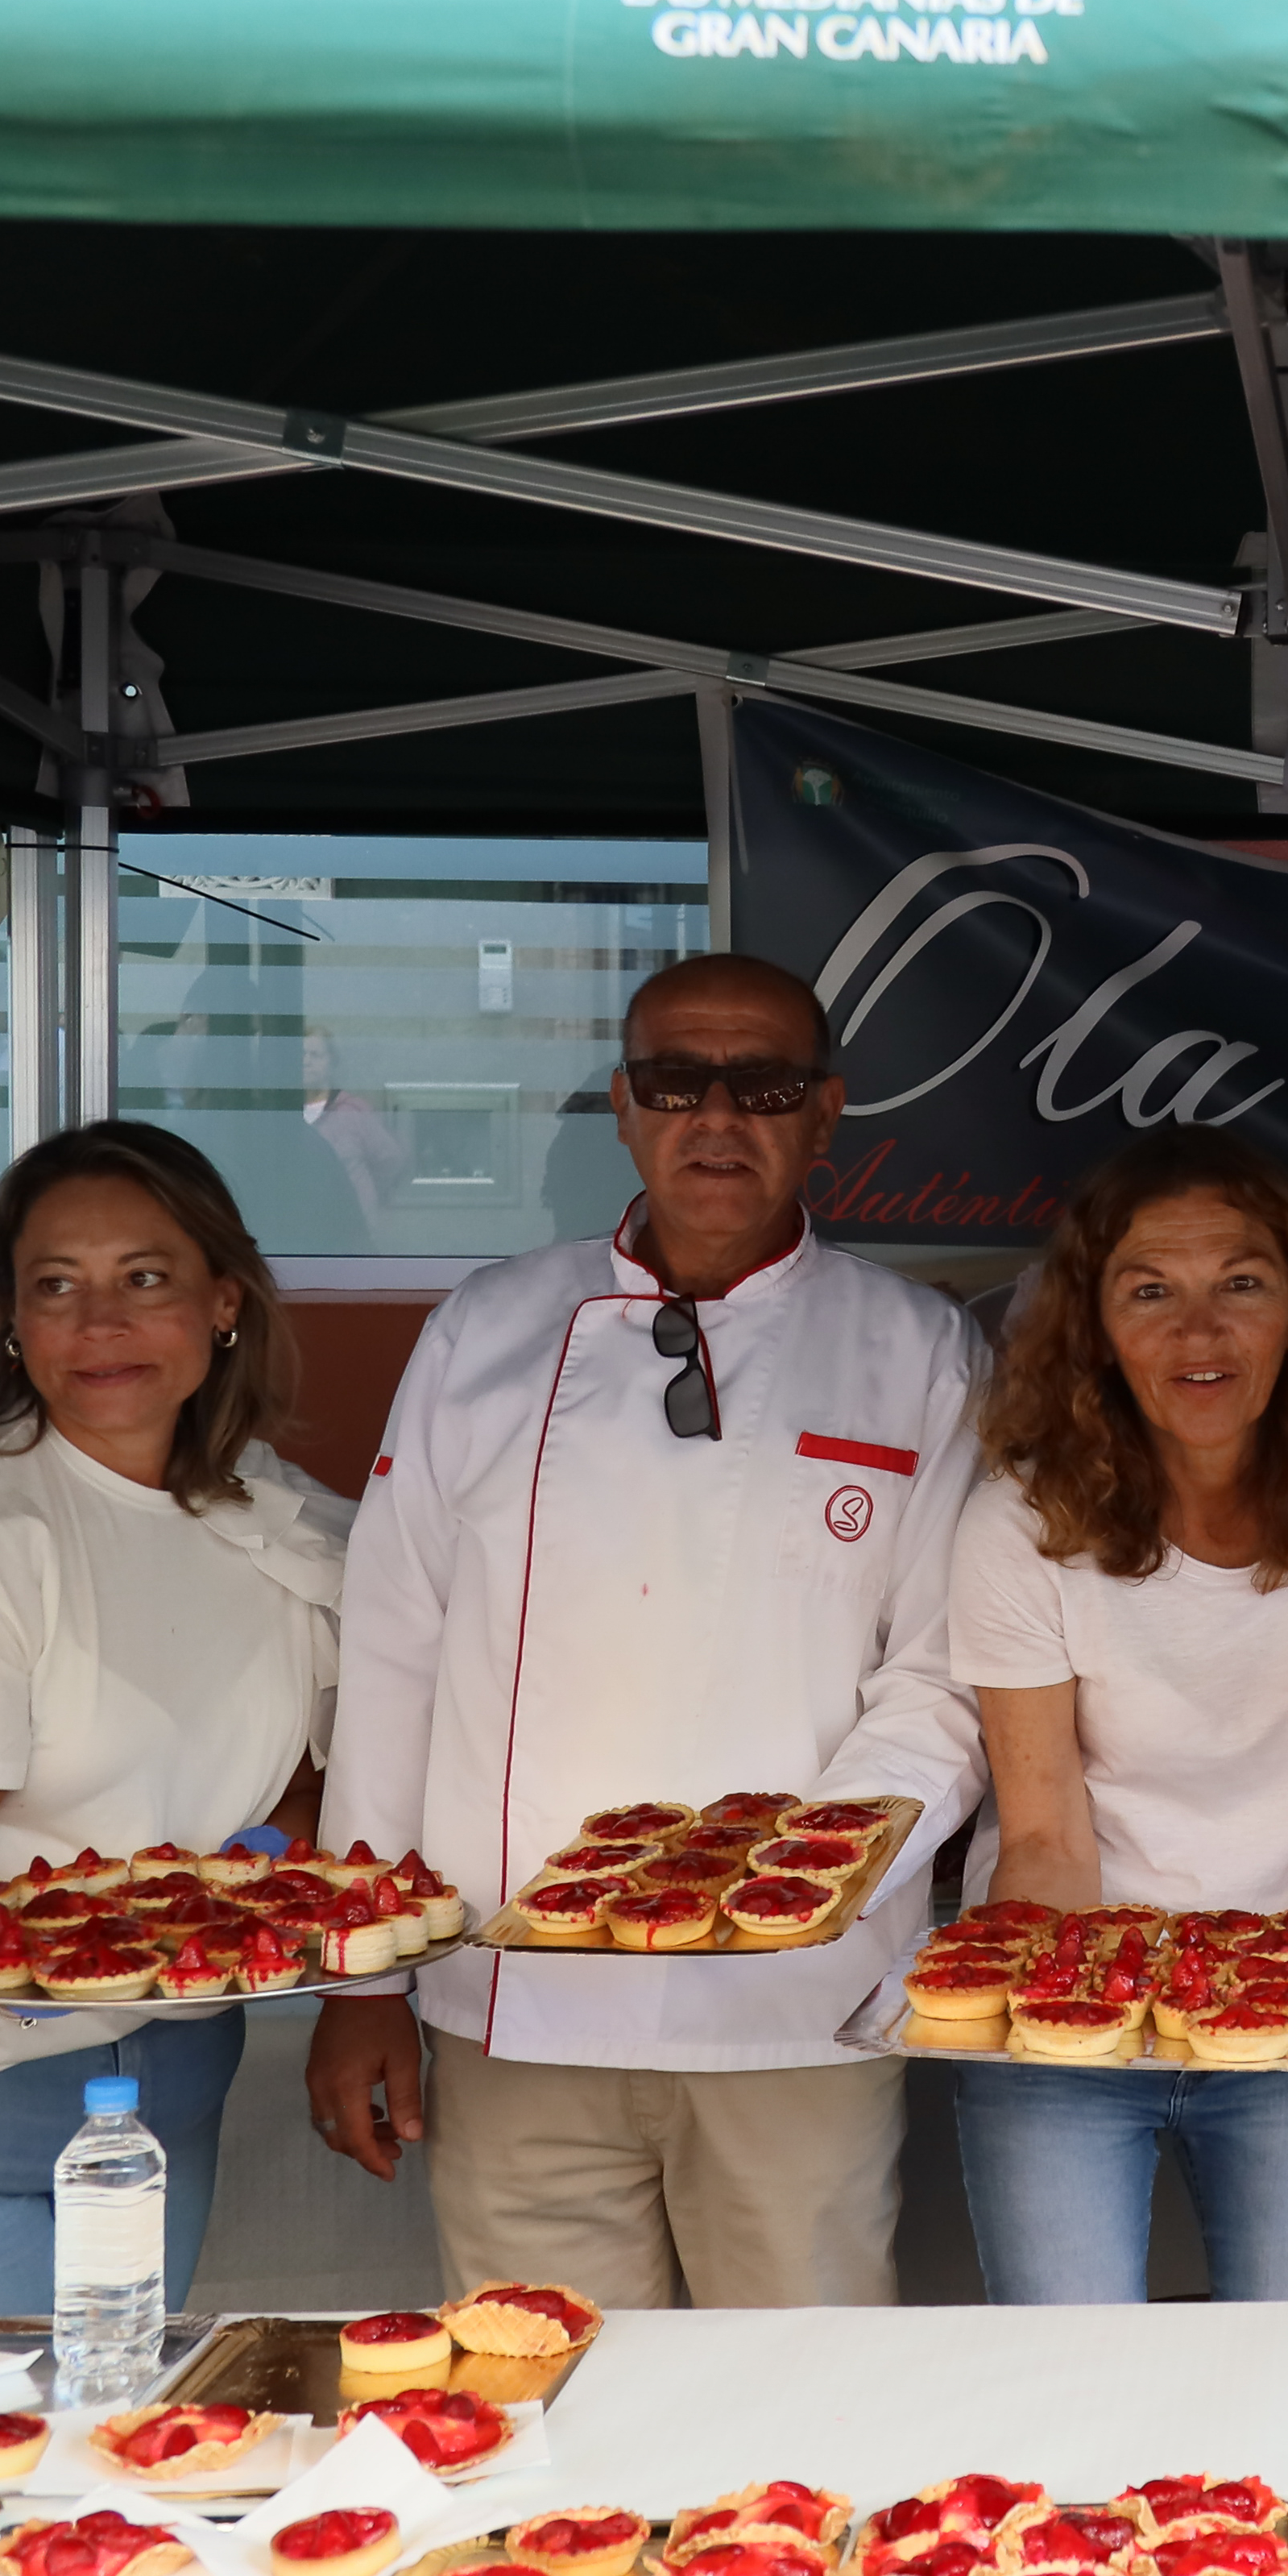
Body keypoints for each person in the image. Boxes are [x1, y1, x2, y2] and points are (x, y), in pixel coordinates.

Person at [308, 954, 981, 2308]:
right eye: (676, 1081)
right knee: (549, 2412)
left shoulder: (918, 1349)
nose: (716, 1117)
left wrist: (784, 1881)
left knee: (799, 2417)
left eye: (765, 1084)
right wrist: (359, 1979)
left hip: (804, 2006)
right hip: (517, 1993)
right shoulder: (485, 1331)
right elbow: (391, 1654)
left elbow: (948, 1677)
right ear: (622, 1105)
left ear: (826, 1111)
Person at [0, 1123, 348, 2314]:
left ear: (223, 1302)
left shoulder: (279, 1516)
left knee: (116, 2466)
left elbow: (304, 1782)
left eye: (146, 1279)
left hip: (172, 2083)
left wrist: (259, 1872)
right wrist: (140, 1946)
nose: (101, 1325)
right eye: (57, 1287)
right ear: (13, 1320)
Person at [950, 1128, 1288, 2307]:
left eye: (1240, 1284)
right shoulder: (1017, 1521)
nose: (1199, 1333)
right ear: (1093, 1324)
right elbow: (1044, 1828)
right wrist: (1081, 2008)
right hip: (1069, 2014)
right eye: (1151, 1293)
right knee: (1068, 2383)